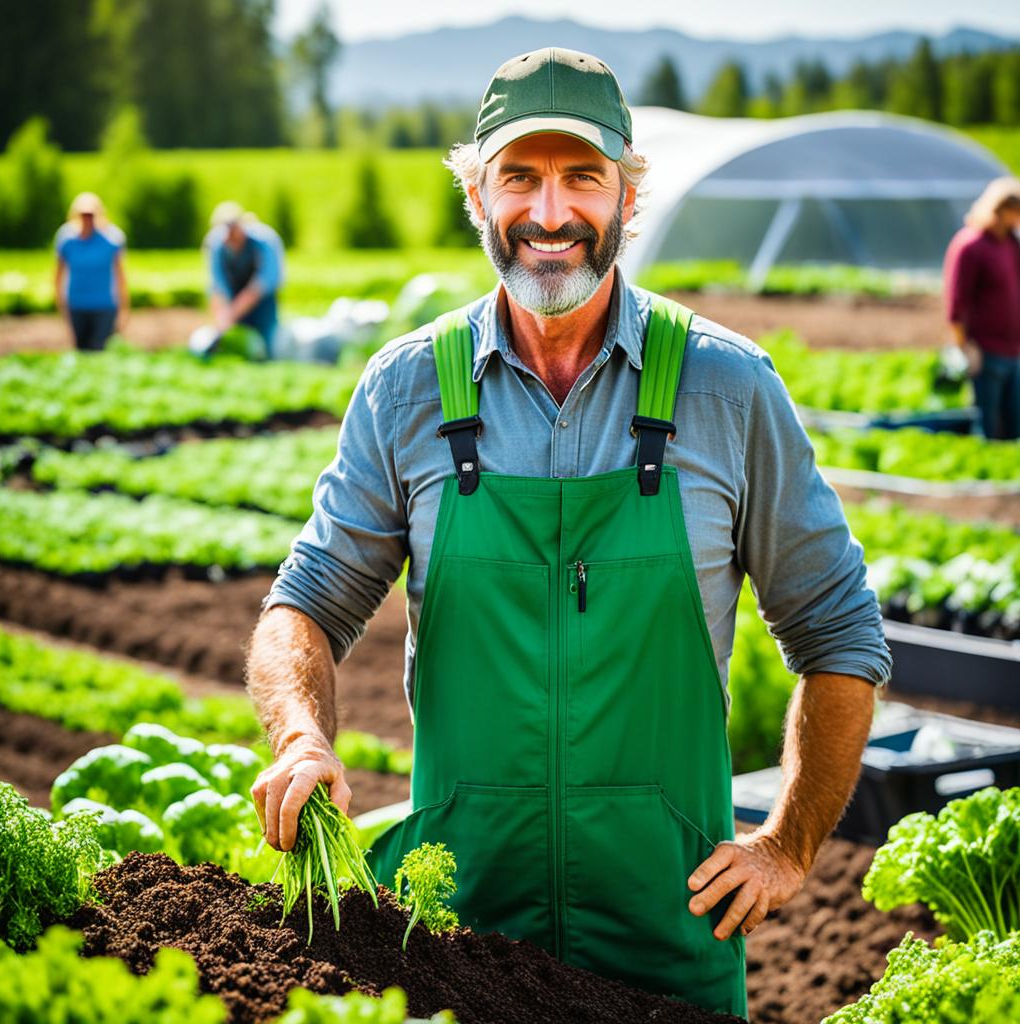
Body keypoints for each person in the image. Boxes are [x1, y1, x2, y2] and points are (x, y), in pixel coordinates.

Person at [246, 48, 890, 1019]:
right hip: (454, 946)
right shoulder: (408, 387)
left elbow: (840, 631)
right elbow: (305, 603)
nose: (550, 214)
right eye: (519, 177)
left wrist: (787, 844)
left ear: (629, 193)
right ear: (476, 193)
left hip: (669, 952)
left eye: (582, 176)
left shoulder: (727, 386)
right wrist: (300, 737)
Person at [943, 177, 1020, 440]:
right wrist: (965, 346)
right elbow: (956, 303)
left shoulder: (1010, 244)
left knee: (1014, 424)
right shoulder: (970, 245)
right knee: (985, 424)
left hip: (1013, 350)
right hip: (985, 350)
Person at [203, 202, 284, 356]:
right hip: (234, 297)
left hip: (263, 302)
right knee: (239, 346)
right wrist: (222, 318)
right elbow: (217, 285)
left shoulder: (264, 241)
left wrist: (232, 312)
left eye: (232, 230)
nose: (228, 237)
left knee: (267, 343)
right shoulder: (216, 245)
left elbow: (263, 283)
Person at [53, 192, 128, 351]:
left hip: (104, 305)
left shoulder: (111, 239)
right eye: (83, 215)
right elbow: (58, 275)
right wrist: (60, 304)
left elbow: (121, 276)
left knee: (100, 350)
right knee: (80, 349)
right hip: (77, 304)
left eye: (91, 215)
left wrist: (124, 308)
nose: (87, 219)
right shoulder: (66, 239)